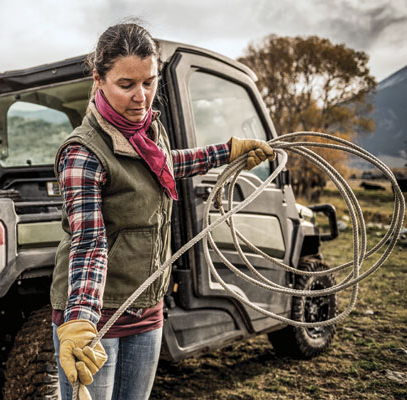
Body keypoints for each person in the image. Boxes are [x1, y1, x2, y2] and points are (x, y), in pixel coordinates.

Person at [51, 21, 274, 399]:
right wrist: (81, 320)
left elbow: (169, 163)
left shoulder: (149, 133)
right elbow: (89, 243)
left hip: (147, 307)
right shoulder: (83, 154)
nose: (142, 96)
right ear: (98, 79)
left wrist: (227, 152)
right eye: (127, 85)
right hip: (96, 317)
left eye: (149, 82)